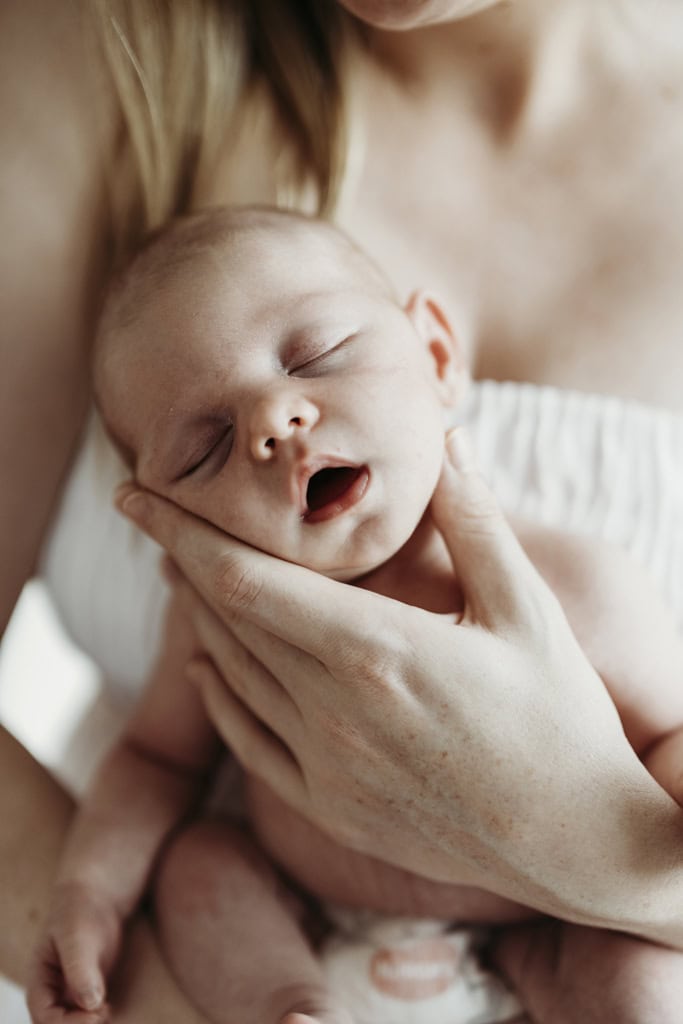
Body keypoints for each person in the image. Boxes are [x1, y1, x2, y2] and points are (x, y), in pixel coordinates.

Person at [4, 1, 683, 1021]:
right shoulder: (222, 611)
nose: (275, 422)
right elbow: (149, 761)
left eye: (314, 359)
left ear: (437, 357)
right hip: (293, 922)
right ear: (154, 506)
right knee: (198, 872)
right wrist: (91, 894)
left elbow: (668, 730)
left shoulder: (573, 585)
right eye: (203, 449)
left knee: (639, 986)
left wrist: (605, 851)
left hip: (560, 928)